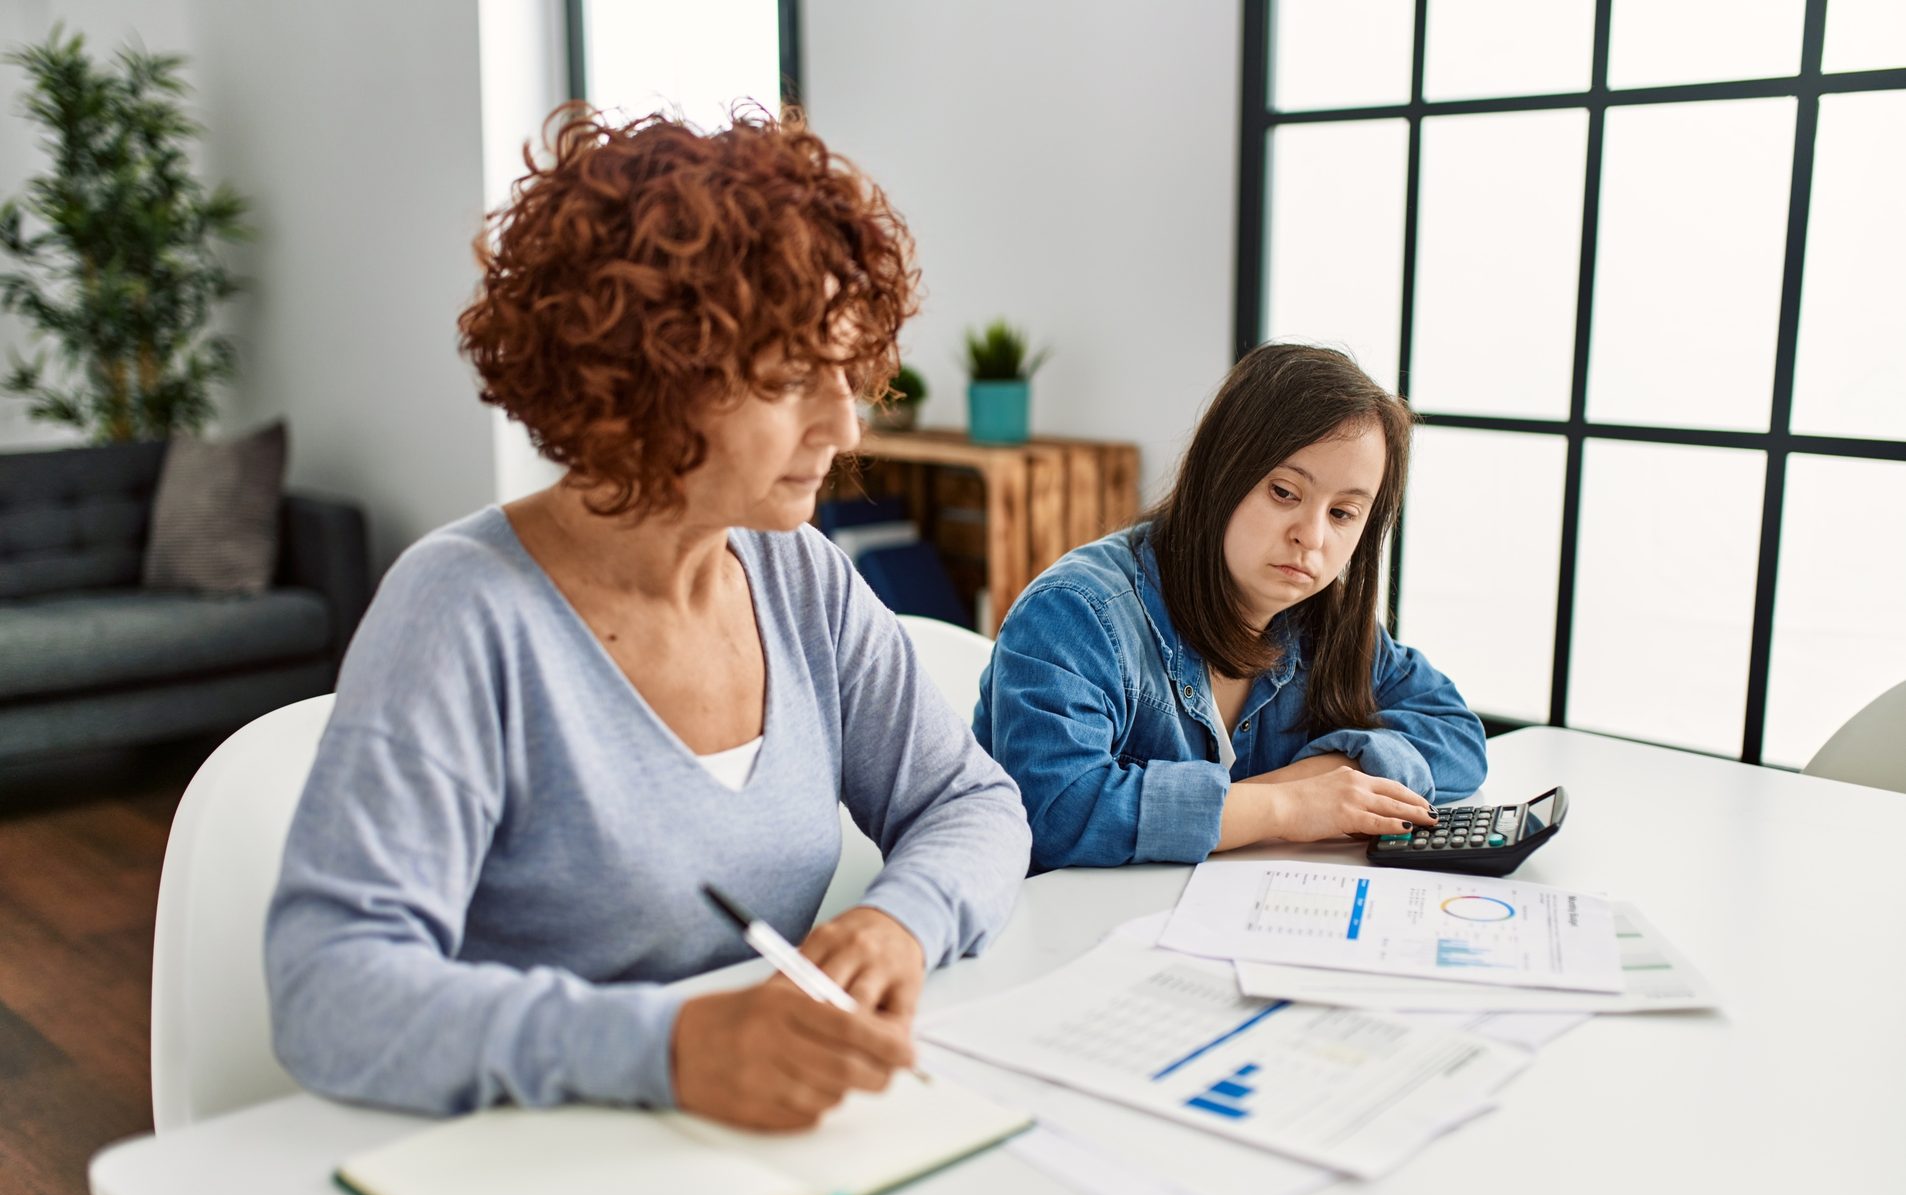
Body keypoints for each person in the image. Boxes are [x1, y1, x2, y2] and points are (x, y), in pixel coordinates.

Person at [265, 105, 1031, 1131]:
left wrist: (901, 922)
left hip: (769, 1141)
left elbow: (969, 799)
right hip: (544, 1159)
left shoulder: (800, 574)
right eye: (793, 377)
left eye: (848, 372)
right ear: (651, 379)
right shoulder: (459, 610)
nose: (846, 424)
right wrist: (665, 1051)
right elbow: (330, 991)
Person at [975, 341, 1485, 871]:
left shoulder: (1322, 618)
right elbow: (1055, 814)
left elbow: (1457, 735)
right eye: (1285, 492)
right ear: (1221, 472)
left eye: (1343, 513)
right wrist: (1284, 805)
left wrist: (1335, 770)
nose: (1311, 537)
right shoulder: (1076, 614)